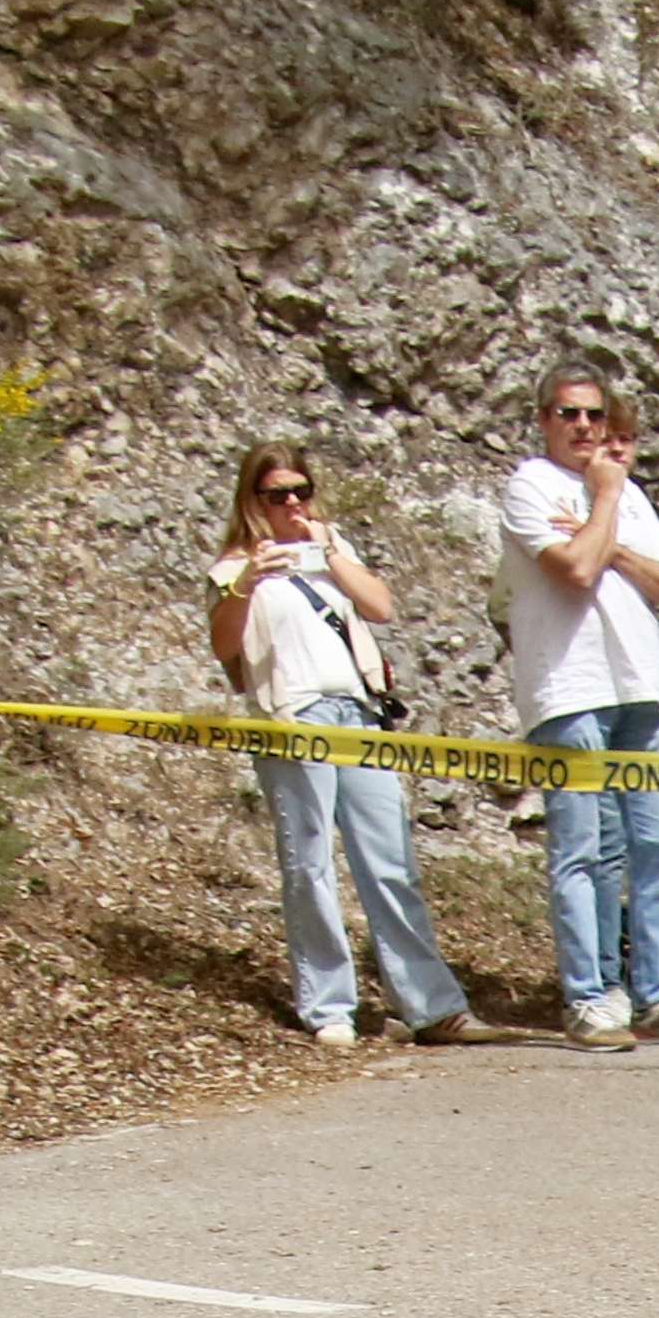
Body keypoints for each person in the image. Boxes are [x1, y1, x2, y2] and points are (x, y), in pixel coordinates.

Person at [206, 447, 502, 1049]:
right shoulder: (234, 567)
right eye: (277, 494)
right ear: (253, 501)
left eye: (302, 490)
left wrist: (331, 553)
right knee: (309, 863)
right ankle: (328, 1005)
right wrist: (247, 583)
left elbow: (379, 606)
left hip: (358, 712)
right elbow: (224, 647)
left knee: (390, 860)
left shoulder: (330, 549)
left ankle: (432, 1006)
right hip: (292, 715)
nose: (293, 504)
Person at [500, 362, 659, 1050]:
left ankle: (656, 992)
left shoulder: (626, 493)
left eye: (594, 414)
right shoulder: (531, 484)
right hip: (571, 687)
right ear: (544, 420)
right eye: (569, 413)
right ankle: (589, 995)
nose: (585, 426)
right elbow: (575, 569)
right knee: (583, 850)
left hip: (641, 687)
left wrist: (611, 528)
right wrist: (605, 500)